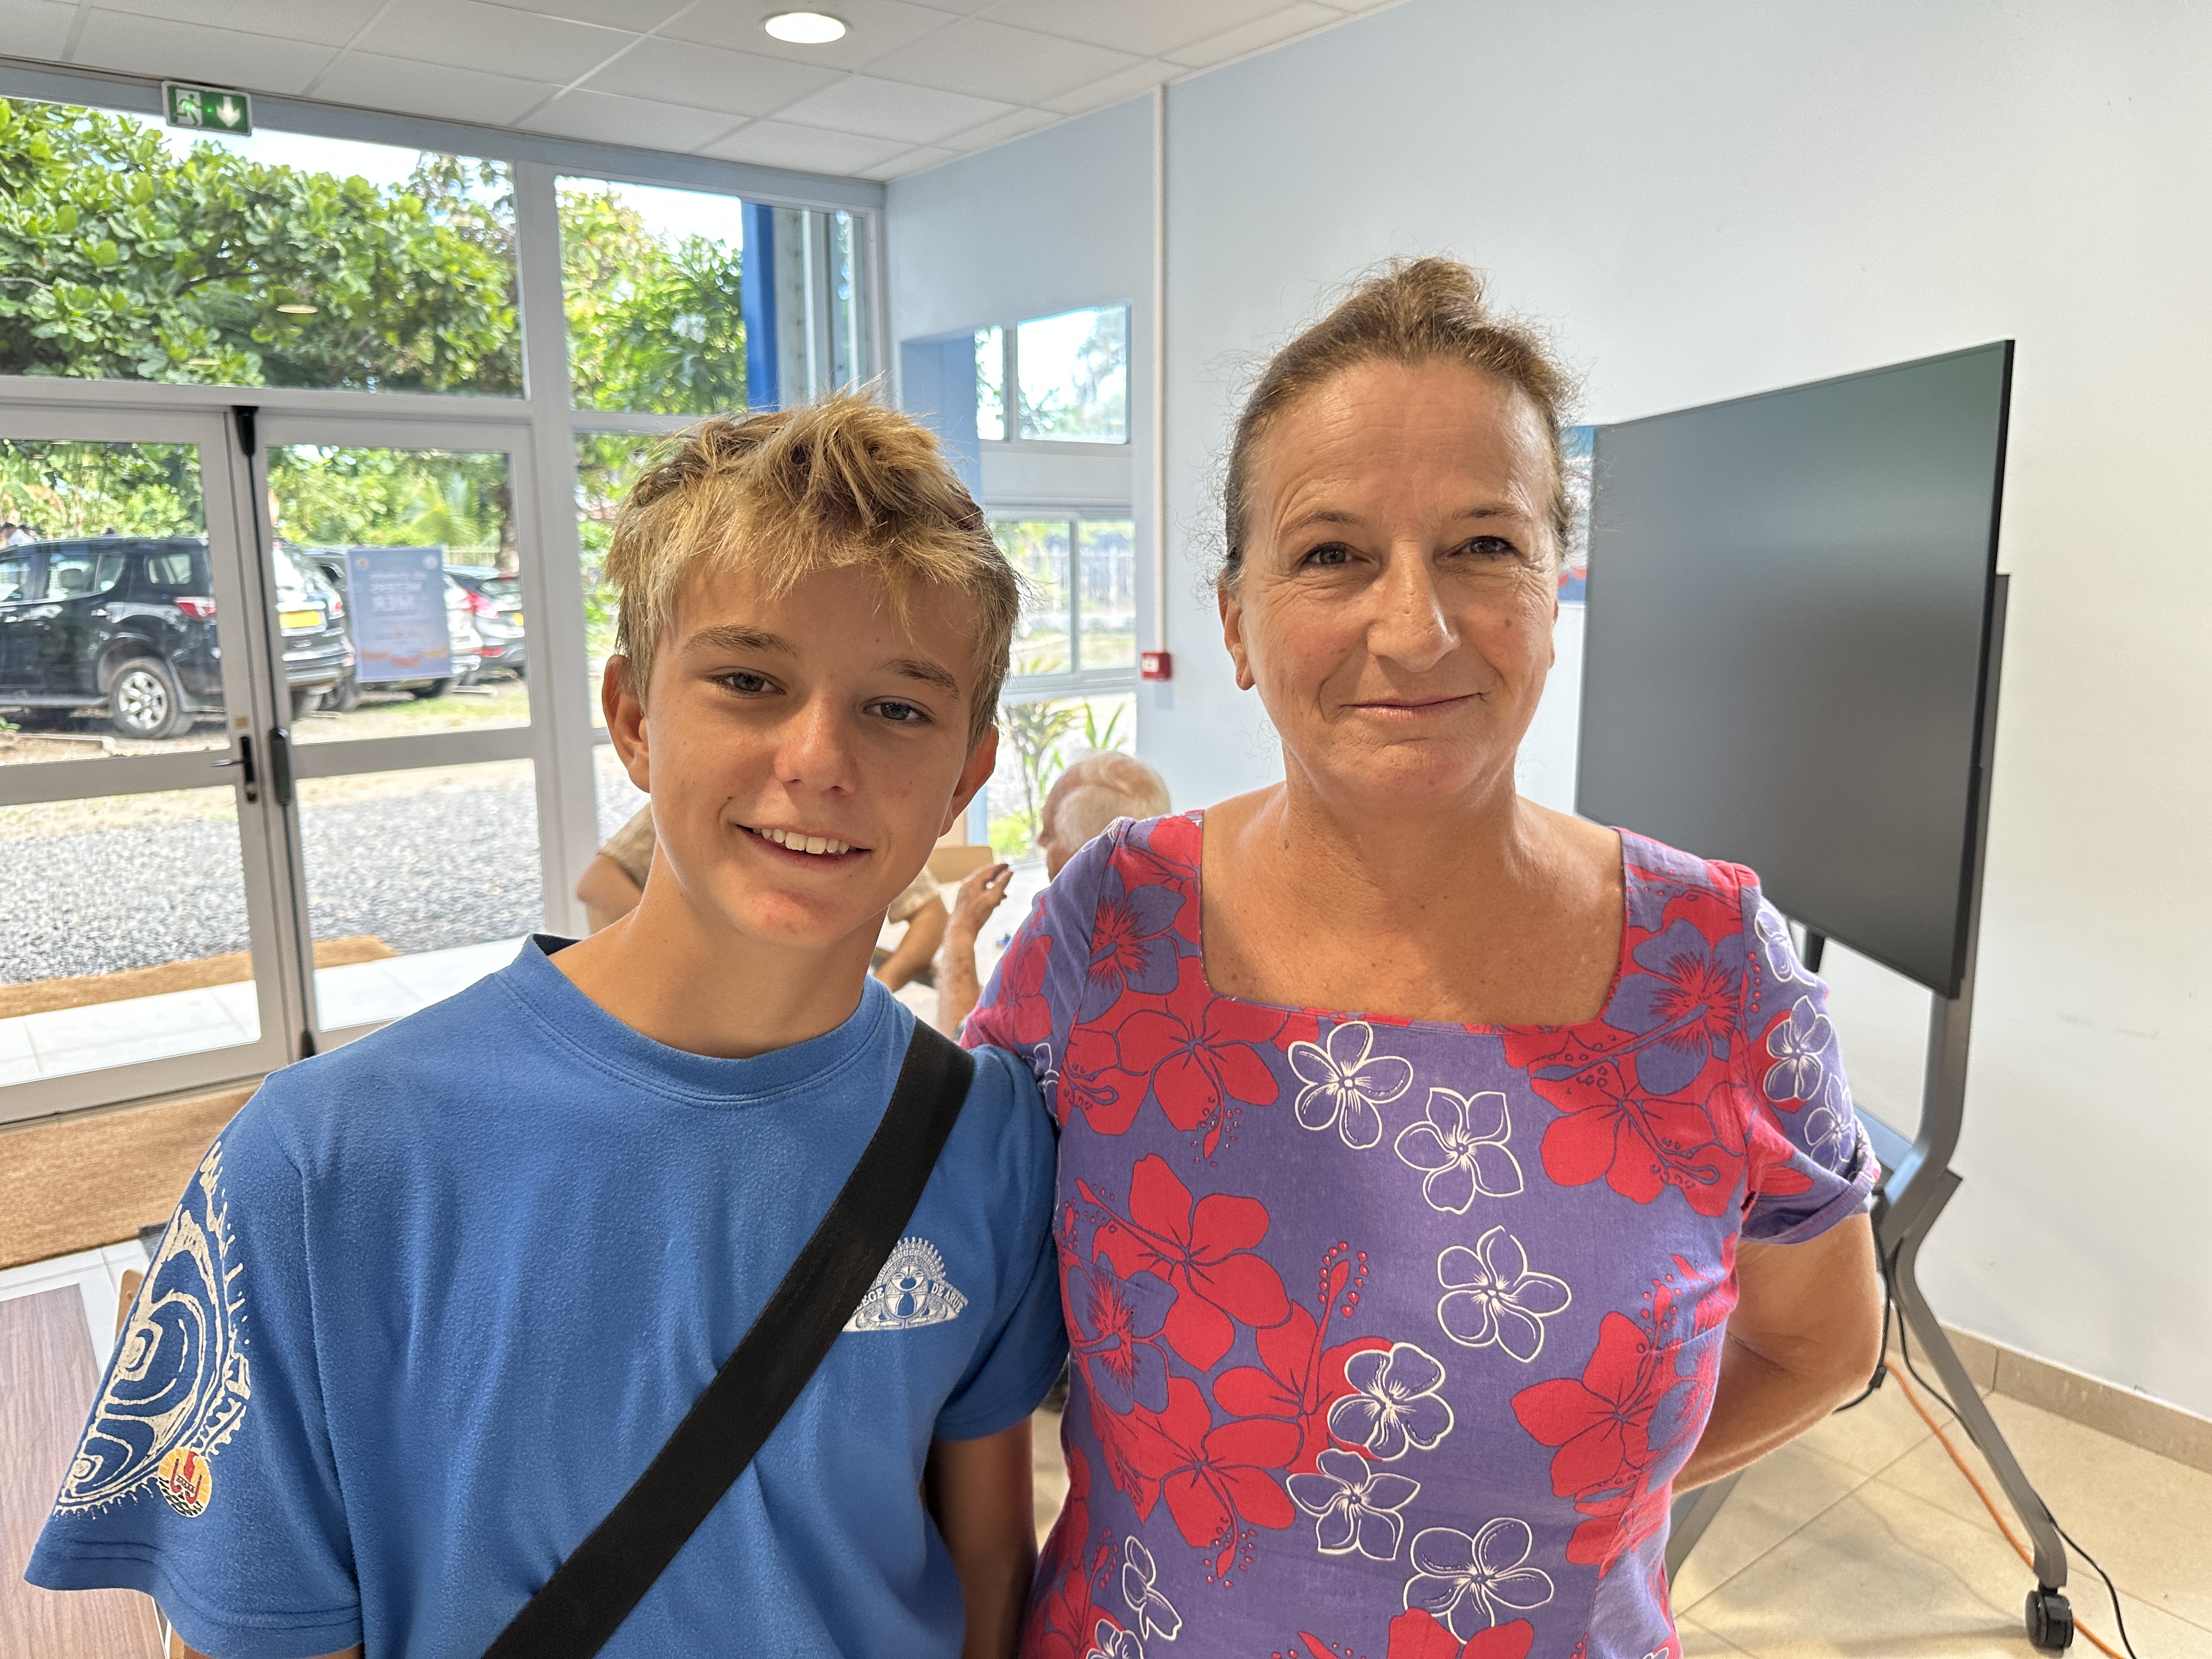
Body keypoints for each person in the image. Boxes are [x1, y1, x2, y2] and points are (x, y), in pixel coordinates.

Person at [29, 394, 1068, 1659]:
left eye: (898, 708)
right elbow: (254, 1628)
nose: (816, 757)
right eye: (749, 679)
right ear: (635, 717)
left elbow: (985, 1563)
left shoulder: (982, 1130)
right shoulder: (321, 1165)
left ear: (967, 770)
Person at [965, 259, 1883, 1659]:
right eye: (1333, 552)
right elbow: (957, 1330)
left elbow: (1825, 1342)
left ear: (1554, 593)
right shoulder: (1113, 931)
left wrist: (1571, 1512)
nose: (1416, 626)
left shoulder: (1711, 970)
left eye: (1484, 546)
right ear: (1235, 620)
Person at [578, 802, 950, 989]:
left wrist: (879, 987)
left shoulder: (854, 822)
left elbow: (930, 911)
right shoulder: (697, 806)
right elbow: (597, 882)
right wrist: (678, 953)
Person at [934, 751, 1170, 1036]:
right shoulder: (1180, 925)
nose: (1040, 841)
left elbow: (963, 1053)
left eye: (1049, 835)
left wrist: (960, 932)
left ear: (1084, 855)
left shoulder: (1063, 948)